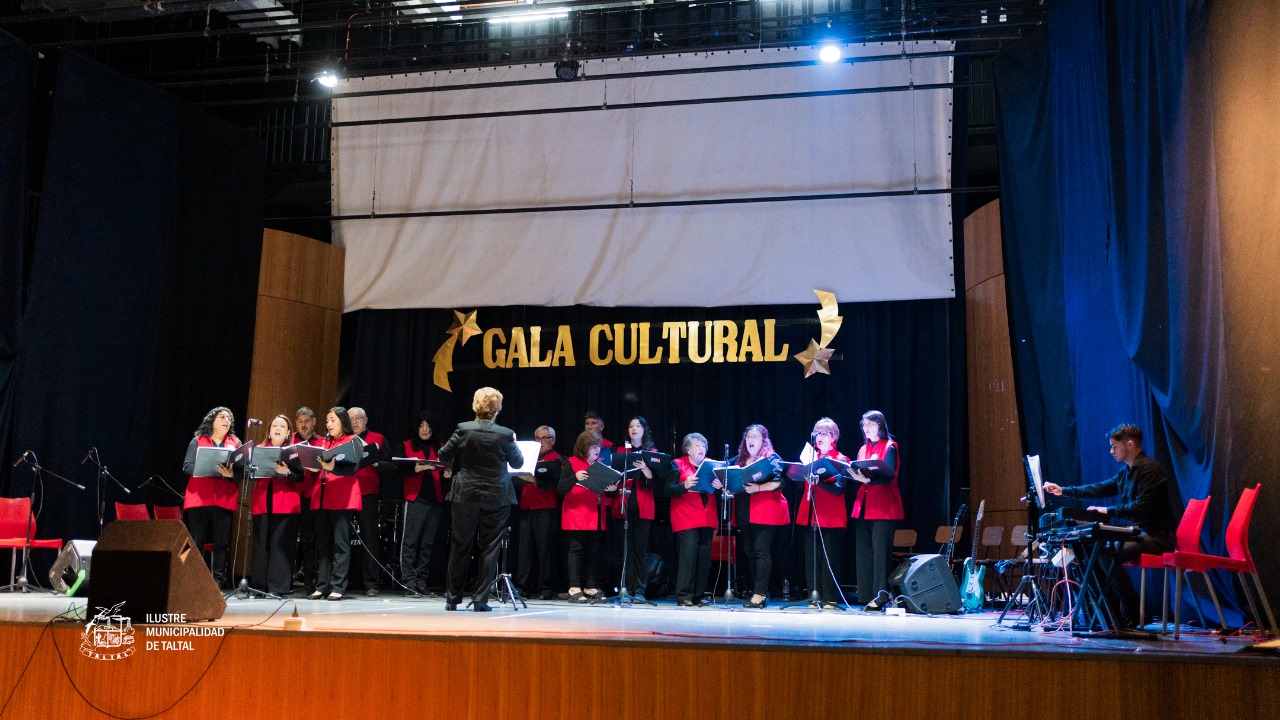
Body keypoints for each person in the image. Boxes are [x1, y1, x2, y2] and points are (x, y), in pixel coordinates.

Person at [1043, 424, 1177, 628]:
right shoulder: (1126, 474)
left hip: (1157, 537)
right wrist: (1064, 491)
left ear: (1130, 444)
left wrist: (1106, 511)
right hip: (1139, 535)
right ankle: (1108, 613)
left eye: (1114, 446)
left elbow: (1141, 507)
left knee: (1106, 554)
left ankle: (1133, 610)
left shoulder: (1150, 469)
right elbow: (1098, 489)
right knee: (1097, 553)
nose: (1111, 451)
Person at [437, 387, 524, 612]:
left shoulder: (463, 429)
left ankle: (452, 599)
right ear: (497, 408)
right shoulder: (505, 434)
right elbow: (518, 463)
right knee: (489, 548)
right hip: (496, 495)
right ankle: (480, 600)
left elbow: (443, 455)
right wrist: (512, 441)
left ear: (475, 405)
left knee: (460, 545)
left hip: (465, 493)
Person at [849, 410, 903, 611]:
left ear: (880, 425)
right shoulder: (863, 449)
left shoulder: (889, 447)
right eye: (864, 425)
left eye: (870, 424)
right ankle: (865, 594)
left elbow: (889, 476)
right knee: (863, 552)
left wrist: (867, 479)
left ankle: (881, 595)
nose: (866, 428)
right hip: (863, 506)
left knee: (880, 554)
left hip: (883, 508)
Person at [182, 406, 240, 588]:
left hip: (224, 499)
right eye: (222, 417)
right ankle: (194, 579)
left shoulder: (235, 443)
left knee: (221, 543)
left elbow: (241, 472)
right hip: (199, 497)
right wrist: (205, 467)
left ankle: (217, 582)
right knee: (196, 541)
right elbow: (187, 466)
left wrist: (232, 474)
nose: (227, 420)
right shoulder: (198, 441)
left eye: (229, 418)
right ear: (212, 420)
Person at [794, 417, 848, 608]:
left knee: (829, 557)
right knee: (812, 557)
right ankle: (814, 595)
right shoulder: (810, 458)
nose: (819, 437)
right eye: (817, 433)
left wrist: (820, 483)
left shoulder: (841, 459)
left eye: (824, 433)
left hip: (831, 516)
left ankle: (829, 597)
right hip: (810, 513)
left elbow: (840, 488)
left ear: (834, 436)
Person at [398, 410, 452, 597]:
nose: (425, 429)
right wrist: (416, 468)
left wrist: (448, 473)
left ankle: (421, 582)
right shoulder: (406, 445)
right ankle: (409, 582)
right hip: (415, 499)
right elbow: (398, 468)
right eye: (421, 425)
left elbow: (448, 467)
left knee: (427, 544)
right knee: (411, 543)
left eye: (428, 426)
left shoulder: (441, 447)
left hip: (435, 500)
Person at [733, 424, 787, 609]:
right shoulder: (739, 460)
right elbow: (728, 476)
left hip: (765, 510)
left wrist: (758, 488)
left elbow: (779, 482)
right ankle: (760, 590)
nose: (750, 440)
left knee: (761, 551)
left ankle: (760, 593)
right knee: (749, 552)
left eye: (755, 437)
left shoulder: (771, 458)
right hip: (744, 511)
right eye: (748, 437)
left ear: (764, 440)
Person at [311, 407, 362, 601]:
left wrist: (334, 467)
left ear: (342, 421)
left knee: (340, 544)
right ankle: (322, 585)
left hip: (342, 498)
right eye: (327, 421)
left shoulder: (352, 441)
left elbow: (353, 467)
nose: (329, 424)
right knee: (323, 545)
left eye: (332, 420)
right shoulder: (323, 442)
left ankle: (338, 585)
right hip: (321, 496)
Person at [558, 430, 615, 602]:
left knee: (593, 551)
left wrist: (611, 490)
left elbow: (605, 490)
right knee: (577, 550)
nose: (598, 449)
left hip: (596, 514)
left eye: (599, 446)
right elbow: (561, 488)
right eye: (593, 446)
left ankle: (590, 586)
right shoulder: (572, 463)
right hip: (577, 514)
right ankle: (574, 587)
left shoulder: (600, 465)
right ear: (584, 448)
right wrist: (575, 477)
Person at [667, 432, 722, 606]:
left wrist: (720, 485)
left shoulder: (711, 465)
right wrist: (685, 485)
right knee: (688, 555)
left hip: (707, 515)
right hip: (686, 516)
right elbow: (667, 490)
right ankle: (684, 594)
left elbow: (718, 488)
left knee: (704, 557)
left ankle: (699, 595)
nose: (701, 449)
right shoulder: (677, 465)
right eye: (697, 446)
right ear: (688, 449)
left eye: (703, 446)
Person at [608, 416, 659, 601]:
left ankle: (639, 590)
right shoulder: (620, 451)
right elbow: (613, 475)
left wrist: (646, 469)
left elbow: (658, 481)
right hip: (623, 503)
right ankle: (626, 588)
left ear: (644, 430)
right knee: (625, 549)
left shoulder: (652, 452)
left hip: (643, 505)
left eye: (638, 426)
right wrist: (612, 487)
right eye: (631, 426)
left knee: (640, 549)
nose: (634, 429)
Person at [251, 414, 304, 595]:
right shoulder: (259, 449)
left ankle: (277, 587)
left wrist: (287, 471)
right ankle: (258, 587)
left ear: (288, 432)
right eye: (274, 425)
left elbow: (300, 477)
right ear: (269, 430)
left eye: (282, 426)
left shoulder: (294, 451)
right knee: (261, 544)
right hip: (262, 501)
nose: (278, 428)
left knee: (280, 545)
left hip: (286, 502)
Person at [348, 407, 390, 596]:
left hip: (368, 494)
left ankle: (372, 583)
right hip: (345, 493)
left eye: (358, 418)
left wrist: (376, 463)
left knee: (370, 539)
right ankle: (338, 581)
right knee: (341, 538)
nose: (355, 422)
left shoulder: (378, 438)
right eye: (351, 419)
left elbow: (392, 466)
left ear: (366, 420)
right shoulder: (343, 439)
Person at [516, 425, 560, 600]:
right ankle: (523, 587)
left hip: (545, 508)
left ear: (553, 440)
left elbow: (547, 482)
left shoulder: (556, 459)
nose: (541, 442)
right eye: (537, 439)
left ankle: (546, 588)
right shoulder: (528, 457)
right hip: (526, 507)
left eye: (544, 438)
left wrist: (530, 477)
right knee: (524, 551)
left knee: (545, 550)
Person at [292, 406, 322, 591]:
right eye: (300, 422)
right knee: (287, 540)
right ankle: (284, 581)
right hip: (290, 496)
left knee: (310, 541)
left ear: (314, 422)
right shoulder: (290, 440)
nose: (303, 425)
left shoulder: (321, 442)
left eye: (307, 421)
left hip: (311, 496)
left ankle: (311, 582)